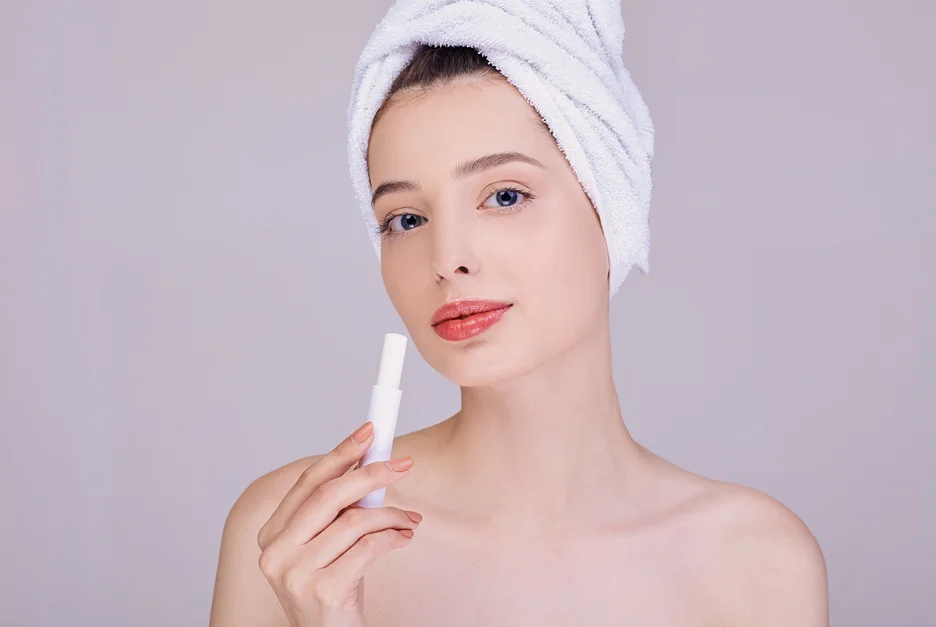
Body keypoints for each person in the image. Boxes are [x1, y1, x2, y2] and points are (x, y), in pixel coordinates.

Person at [209, 44, 829, 627]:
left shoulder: (754, 559)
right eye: (406, 218)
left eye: (505, 195)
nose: (446, 257)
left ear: (613, 208)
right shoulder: (293, 540)